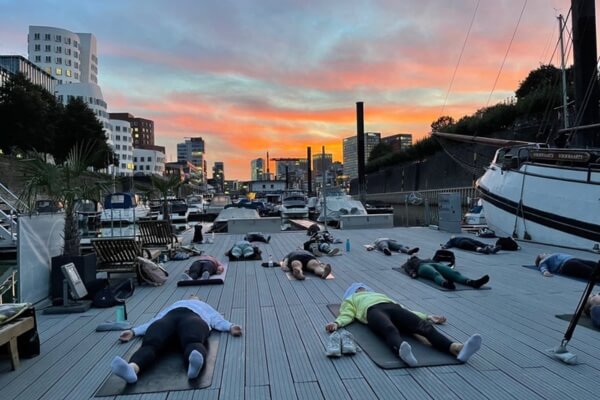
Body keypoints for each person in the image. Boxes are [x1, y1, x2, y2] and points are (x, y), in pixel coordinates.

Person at [325, 283, 482, 366]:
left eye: (362, 287)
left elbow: (407, 310)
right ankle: (402, 351)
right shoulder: (351, 299)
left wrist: (428, 316)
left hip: (393, 307)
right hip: (372, 311)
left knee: (424, 327)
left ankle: (457, 348)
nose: (362, 288)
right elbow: (347, 314)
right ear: (353, 292)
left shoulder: (380, 294)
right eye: (358, 288)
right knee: (389, 329)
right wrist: (337, 323)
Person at [110, 295, 242, 383]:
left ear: (197, 299)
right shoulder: (175, 304)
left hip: (192, 317)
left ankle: (193, 366)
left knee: (192, 339)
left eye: (194, 296)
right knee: (151, 342)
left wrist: (230, 326)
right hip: (168, 319)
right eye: (192, 296)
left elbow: (215, 318)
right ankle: (132, 369)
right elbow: (155, 319)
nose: (192, 296)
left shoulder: (202, 304)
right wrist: (133, 332)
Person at [401, 256, 489, 290]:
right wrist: (413, 273)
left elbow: (437, 258)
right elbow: (407, 269)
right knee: (435, 274)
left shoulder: (426, 258)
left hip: (435, 263)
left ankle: (473, 282)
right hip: (422, 267)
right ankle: (446, 284)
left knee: (455, 273)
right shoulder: (409, 262)